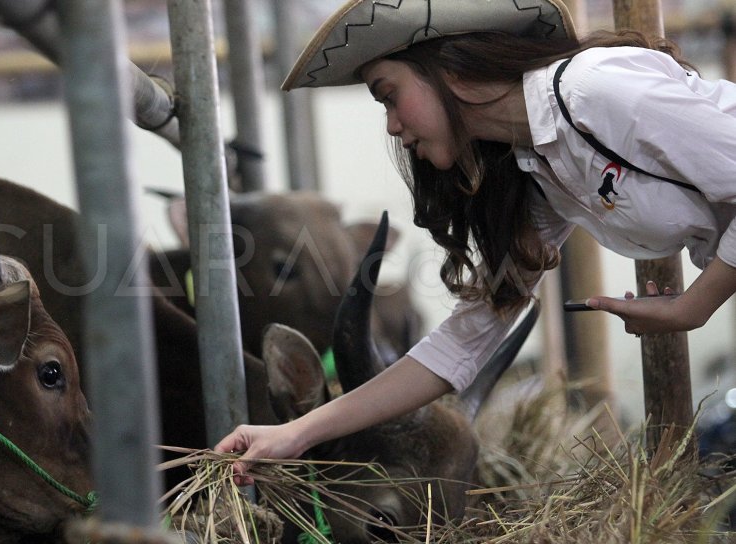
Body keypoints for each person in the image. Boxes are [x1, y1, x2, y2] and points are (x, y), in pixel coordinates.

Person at [214, 0, 736, 484]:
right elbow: (460, 345)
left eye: (388, 95)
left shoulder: (592, 90)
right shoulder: (541, 170)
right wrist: (294, 434)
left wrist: (693, 305)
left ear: (451, 68)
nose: (392, 127)